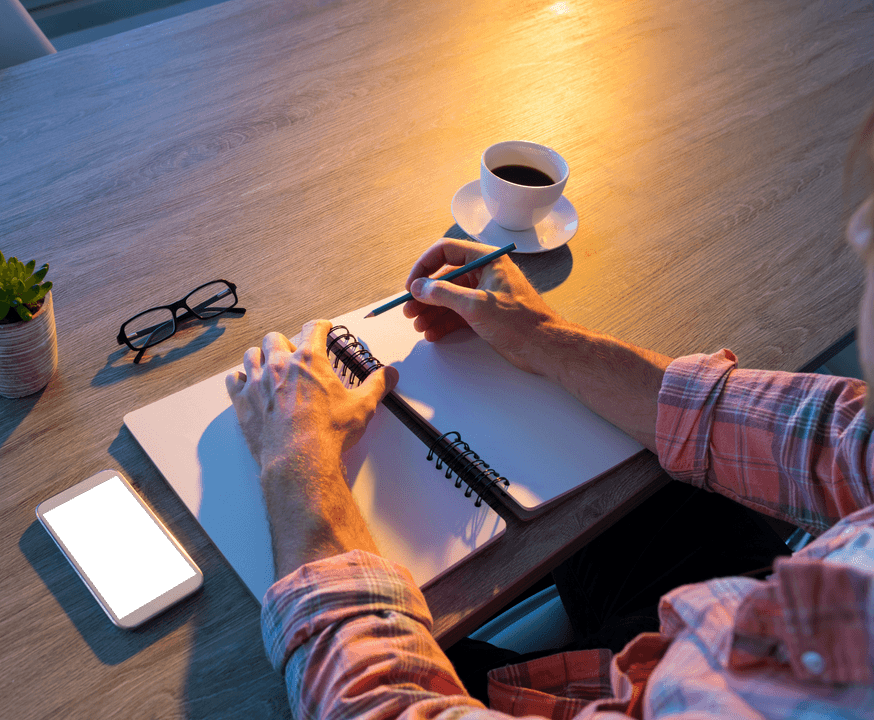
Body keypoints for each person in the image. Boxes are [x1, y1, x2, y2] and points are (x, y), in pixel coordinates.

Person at [223, 118, 874, 718]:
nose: (857, 228)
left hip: (626, 690)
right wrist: (543, 337)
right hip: (730, 620)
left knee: (258, 675)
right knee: (641, 484)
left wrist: (296, 458)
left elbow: (380, 708)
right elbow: (836, 441)